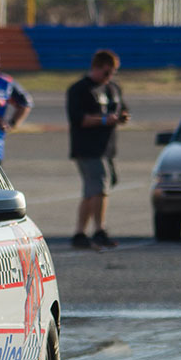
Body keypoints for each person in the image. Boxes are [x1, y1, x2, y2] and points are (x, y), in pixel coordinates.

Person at [66, 49, 130, 249]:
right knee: (100, 187)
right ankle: (99, 230)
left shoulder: (112, 88)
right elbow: (78, 119)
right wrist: (103, 120)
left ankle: (80, 233)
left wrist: (122, 117)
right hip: (87, 147)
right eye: (106, 72)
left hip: (106, 147)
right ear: (96, 67)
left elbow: (122, 108)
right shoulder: (79, 89)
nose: (109, 77)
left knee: (91, 192)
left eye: (112, 73)